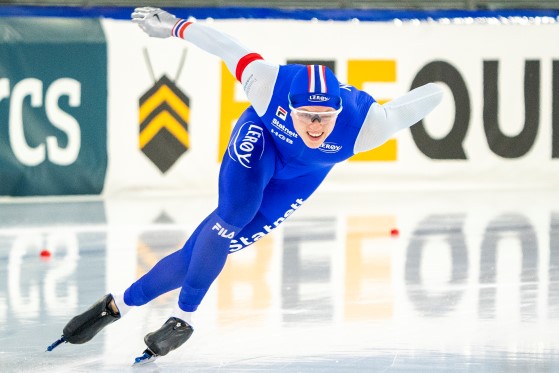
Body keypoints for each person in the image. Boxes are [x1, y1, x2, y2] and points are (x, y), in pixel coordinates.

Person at [47, 7, 444, 364]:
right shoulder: (268, 84)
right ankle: (182, 318)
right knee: (231, 217)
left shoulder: (366, 125)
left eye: (326, 117)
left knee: (208, 249)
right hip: (261, 140)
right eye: (307, 116)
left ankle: (119, 306)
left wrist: (438, 91)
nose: (317, 127)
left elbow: (420, 101)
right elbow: (227, 47)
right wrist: (175, 28)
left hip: (304, 176)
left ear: (340, 111)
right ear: (290, 107)